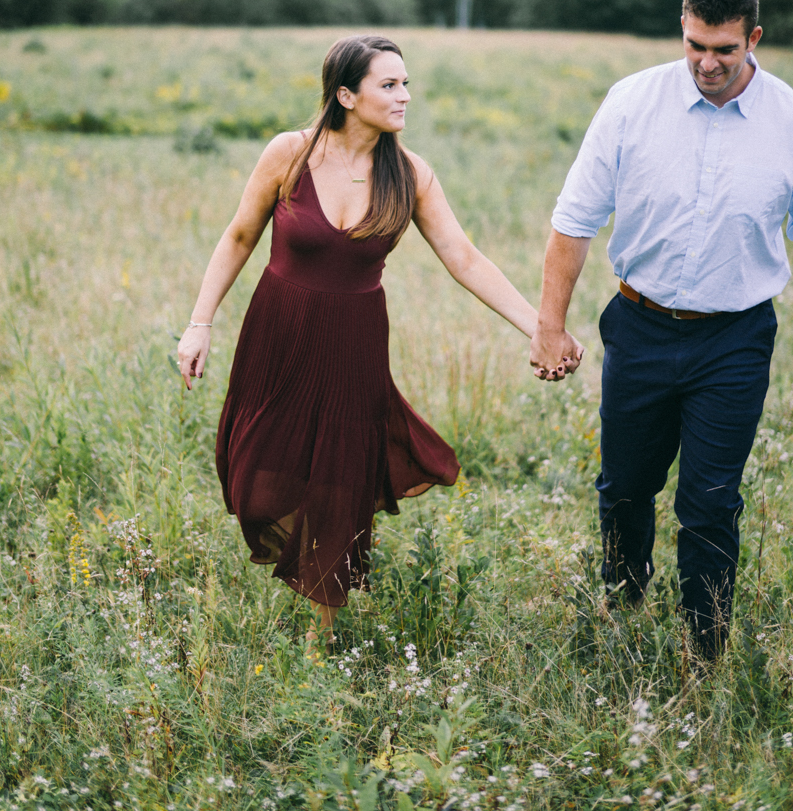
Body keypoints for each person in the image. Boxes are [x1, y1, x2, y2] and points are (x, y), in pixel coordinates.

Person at [178, 35, 584, 642]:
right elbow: (239, 237)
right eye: (389, 85)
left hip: (354, 344)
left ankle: (324, 626)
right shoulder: (289, 154)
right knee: (258, 487)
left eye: (405, 83)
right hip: (279, 335)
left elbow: (464, 258)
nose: (405, 96)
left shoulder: (411, 173)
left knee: (339, 481)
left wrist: (542, 328)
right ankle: (298, 566)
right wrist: (200, 321)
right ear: (346, 95)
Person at [529, 0, 793, 660]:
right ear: (683, 29)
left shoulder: (786, 119)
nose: (707, 63)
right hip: (640, 326)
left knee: (710, 500)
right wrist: (549, 326)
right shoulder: (630, 103)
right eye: (695, 45)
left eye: (725, 50)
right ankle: (622, 605)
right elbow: (574, 221)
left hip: (735, 337)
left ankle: (704, 648)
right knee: (625, 488)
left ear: (753, 39)